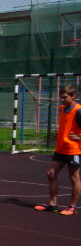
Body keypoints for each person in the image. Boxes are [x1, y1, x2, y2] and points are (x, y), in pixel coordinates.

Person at [34, 84, 81, 216]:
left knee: (73, 177)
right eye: (60, 97)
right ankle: (52, 204)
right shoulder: (62, 108)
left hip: (74, 149)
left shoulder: (78, 110)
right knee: (51, 174)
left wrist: (79, 136)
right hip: (61, 148)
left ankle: (72, 207)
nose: (61, 100)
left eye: (64, 97)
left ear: (73, 96)